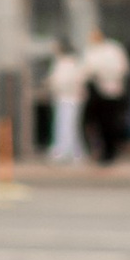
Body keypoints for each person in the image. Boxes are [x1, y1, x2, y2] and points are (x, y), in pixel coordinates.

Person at [83, 28, 130, 166]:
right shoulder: (92, 51)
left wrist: (103, 74)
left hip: (111, 92)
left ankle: (110, 152)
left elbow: (121, 68)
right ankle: (101, 151)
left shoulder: (112, 50)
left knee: (109, 124)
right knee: (98, 124)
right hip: (97, 90)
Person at [46, 37, 87, 167]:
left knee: (68, 125)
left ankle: (66, 152)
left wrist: (54, 84)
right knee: (64, 125)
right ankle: (73, 152)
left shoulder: (70, 63)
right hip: (63, 97)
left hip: (70, 97)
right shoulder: (62, 62)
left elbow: (67, 80)